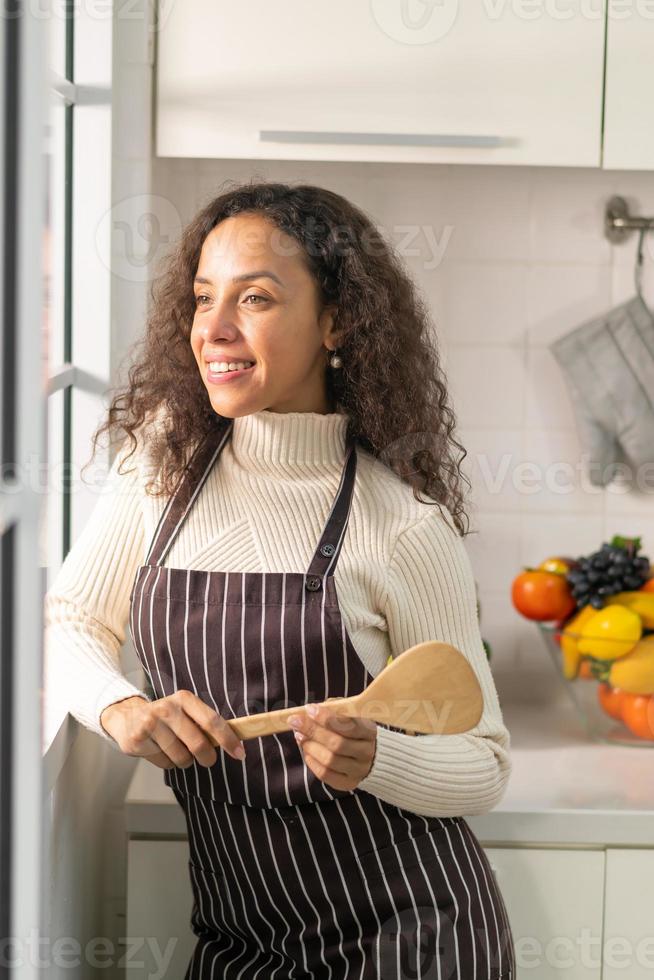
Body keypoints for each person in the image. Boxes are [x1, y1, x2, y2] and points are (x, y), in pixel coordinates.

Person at [44, 180, 516, 979]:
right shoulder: (162, 467)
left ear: (338, 321)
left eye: (255, 298)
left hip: (410, 937)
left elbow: (485, 760)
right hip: (241, 938)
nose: (215, 330)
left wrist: (379, 760)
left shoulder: (400, 523)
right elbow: (72, 621)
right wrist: (118, 707)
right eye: (202, 298)